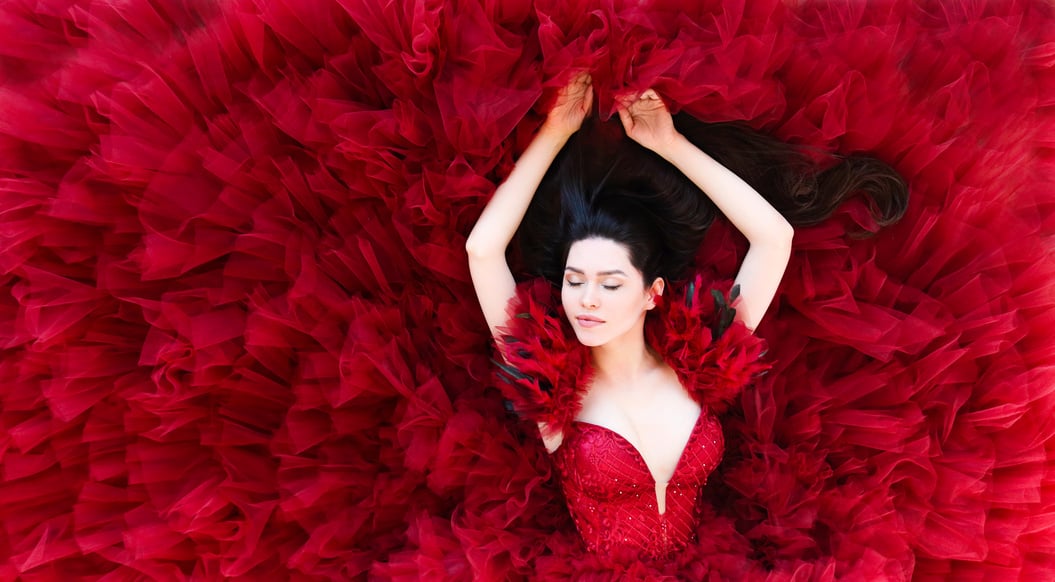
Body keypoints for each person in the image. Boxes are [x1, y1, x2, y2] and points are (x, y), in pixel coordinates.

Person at [464, 73, 908, 559]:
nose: (586, 300)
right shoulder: (550, 383)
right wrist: (555, 133)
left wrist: (670, 144)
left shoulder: (699, 359)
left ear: (652, 294)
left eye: (611, 284)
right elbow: (483, 250)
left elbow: (774, 238)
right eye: (574, 281)